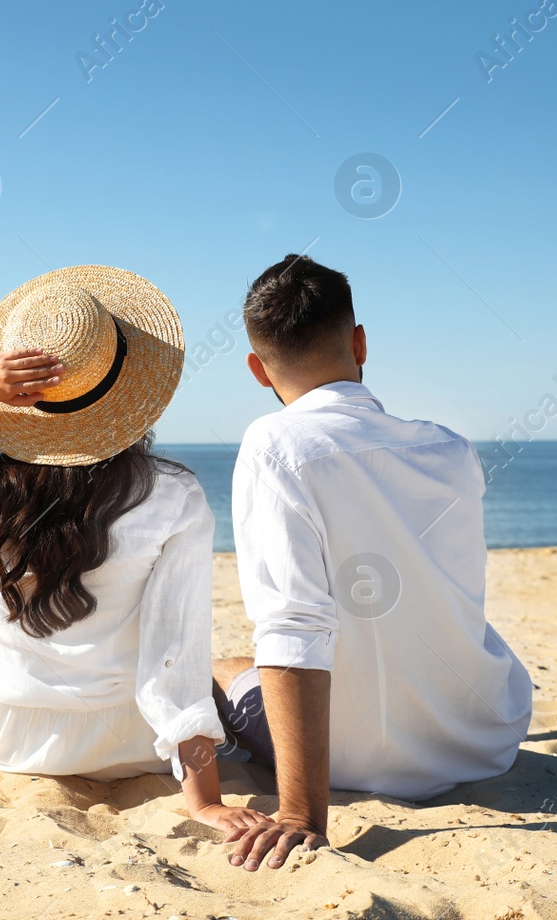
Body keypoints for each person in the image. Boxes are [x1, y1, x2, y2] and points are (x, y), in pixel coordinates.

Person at [0, 265, 266, 835]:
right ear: (131, 388)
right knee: (231, 672)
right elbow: (174, 656)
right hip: (132, 746)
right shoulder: (171, 495)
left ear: (11, 393)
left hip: (6, 741)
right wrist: (204, 802)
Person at [218, 254, 534, 871]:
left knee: (219, 666)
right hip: (483, 741)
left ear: (258, 369)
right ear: (360, 342)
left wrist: (301, 815)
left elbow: (293, 627)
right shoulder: (450, 447)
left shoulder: (274, 443)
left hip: (356, 760)